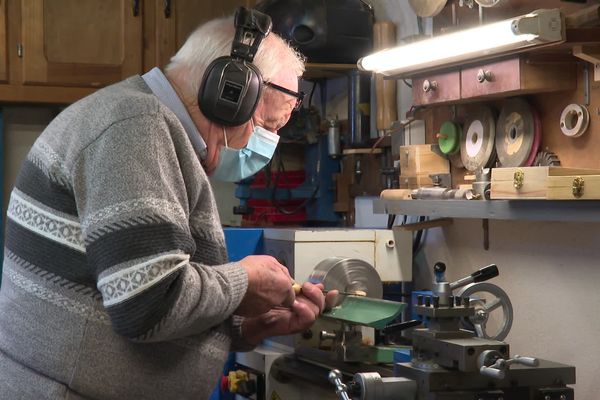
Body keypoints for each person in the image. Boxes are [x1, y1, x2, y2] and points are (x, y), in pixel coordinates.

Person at [0, 9, 337, 400]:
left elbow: (141, 291)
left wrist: (245, 326)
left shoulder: (146, 123)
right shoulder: (135, 128)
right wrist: (245, 281)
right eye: (267, 128)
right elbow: (147, 304)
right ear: (229, 94)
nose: (261, 145)